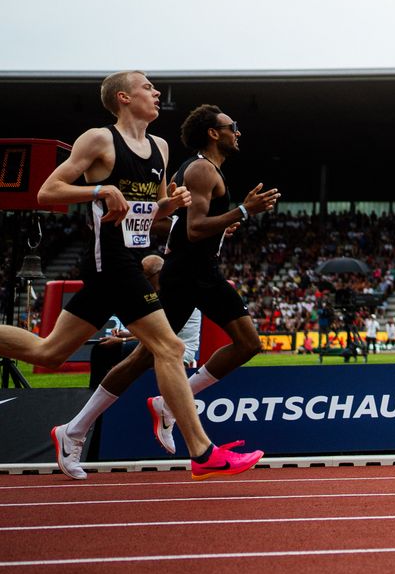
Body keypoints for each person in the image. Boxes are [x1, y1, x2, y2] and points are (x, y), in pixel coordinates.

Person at [0, 72, 262, 480]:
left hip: (130, 260)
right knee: (170, 349)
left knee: (48, 353)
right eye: (147, 87)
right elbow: (47, 193)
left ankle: (69, 432)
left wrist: (170, 205)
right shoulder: (99, 139)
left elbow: (152, 215)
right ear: (123, 97)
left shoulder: (159, 147)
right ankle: (203, 452)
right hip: (112, 263)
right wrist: (98, 192)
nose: (156, 93)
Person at [53, 104, 281, 470]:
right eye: (231, 126)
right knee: (154, 354)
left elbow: (171, 226)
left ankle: (137, 411)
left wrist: (224, 224)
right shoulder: (202, 170)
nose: (237, 132)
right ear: (212, 132)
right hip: (189, 275)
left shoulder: (203, 169)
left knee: (233, 345)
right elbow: (194, 229)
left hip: (200, 271)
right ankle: (78, 429)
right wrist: (243, 211)